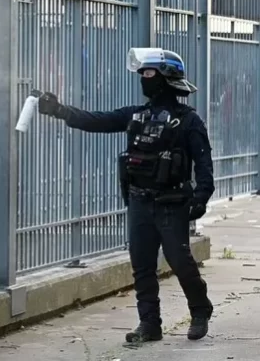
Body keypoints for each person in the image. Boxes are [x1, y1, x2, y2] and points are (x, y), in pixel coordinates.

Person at [37, 48, 214, 343]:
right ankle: (149, 324)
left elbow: (203, 162)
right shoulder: (137, 115)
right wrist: (60, 110)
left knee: (180, 260)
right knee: (142, 265)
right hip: (140, 200)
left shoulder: (188, 120)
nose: (143, 79)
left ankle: (199, 310)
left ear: (166, 77)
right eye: (142, 73)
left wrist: (201, 196)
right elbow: (99, 121)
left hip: (171, 203)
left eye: (148, 73)